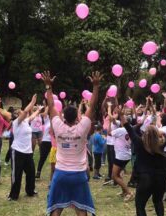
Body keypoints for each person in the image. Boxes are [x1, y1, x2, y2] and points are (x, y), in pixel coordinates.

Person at [44, 71, 102, 216]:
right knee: (81, 209)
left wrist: (48, 86)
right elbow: (92, 105)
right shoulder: (82, 128)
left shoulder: (58, 126)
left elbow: (51, 106)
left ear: (63, 116)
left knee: (56, 208)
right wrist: (95, 86)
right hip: (78, 175)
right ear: (77, 117)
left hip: (60, 174)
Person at [7, 94, 38, 201]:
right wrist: (33, 102)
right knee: (17, 174)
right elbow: (26, 111)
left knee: (31, 172)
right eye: (19, 111)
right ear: (17, 115)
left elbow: (32, 116)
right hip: (18, 151)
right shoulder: (16, 122)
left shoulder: (26, 121)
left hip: (28, 152)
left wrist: (39, 109)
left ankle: (30, 191)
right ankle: (13, 195)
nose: (21, 111)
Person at [108, 103, 133, 201]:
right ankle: (124, 191)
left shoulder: (121, 130)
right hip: (126, 154)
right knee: (118, 174)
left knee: (114, 176)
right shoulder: (130, 129)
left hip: (121, 156)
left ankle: (129, 192)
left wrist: (110, 123)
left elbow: (109, 133)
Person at [36, 108, 52, 179]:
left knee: (54, 160)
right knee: (42, 158)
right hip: (45, 141)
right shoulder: (47, 119)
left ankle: (54, 174)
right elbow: (45, 113)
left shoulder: (57, 120)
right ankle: (38, 172)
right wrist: (49, 105)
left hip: (53, 143)